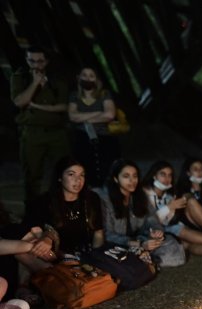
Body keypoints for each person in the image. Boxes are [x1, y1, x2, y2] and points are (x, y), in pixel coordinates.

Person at [19, 157, 104, 273]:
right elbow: (34, 232)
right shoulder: (44, 202)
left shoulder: (91, 198)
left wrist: (95, 257)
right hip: (54, 256)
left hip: (86, 255)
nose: (78, 180)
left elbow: (98, 232)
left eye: (82, 175)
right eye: (71, 175)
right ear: (59, 177)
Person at [11, 46, 70, 206]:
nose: (36, 65)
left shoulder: (57, 79)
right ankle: (32, 211)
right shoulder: (20, 77)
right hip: (32, 133)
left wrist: (38, 106)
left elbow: (64, 106)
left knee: (63, 171)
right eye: (31, 61)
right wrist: (35, 83)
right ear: (26, 60)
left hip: (56, 133)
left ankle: (61, 207)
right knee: (32, 174)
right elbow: (19, 102)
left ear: (47, 61)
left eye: (40, 61)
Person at [96, 159, 178, 266]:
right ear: (116, 179)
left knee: (171, 245)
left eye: (135, 176)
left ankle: (147, 259)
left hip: (140, 240)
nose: (132, 180)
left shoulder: (139, 195)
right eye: (126, 176)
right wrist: (138, 244)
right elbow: (107, 235)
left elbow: (151, 219)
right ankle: (144, 260)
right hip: (116, 244)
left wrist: (156, 231)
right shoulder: (105, 199)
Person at [67, 67, 121, 188]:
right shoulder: (74, 96)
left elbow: (110, 114)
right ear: (79, 78)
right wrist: (98, 113)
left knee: (106, 170)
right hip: (82, 138)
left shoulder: (104, 94)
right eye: (84, 75)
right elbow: (73, 116)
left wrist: (85, 118)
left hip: (105, 137)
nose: (88, 78)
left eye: (91, 76)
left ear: (96, 79)